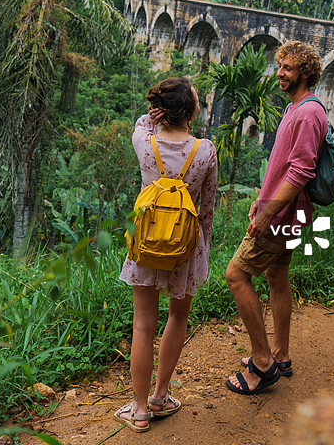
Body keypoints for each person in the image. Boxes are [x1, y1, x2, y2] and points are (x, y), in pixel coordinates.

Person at [225, 41, 327, 395]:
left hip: (283, 215)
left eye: (287, 68)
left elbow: (300, 172)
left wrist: (267, 213)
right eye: (279, 65)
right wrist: (260, 198)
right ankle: (280, 355)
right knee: (276, 274)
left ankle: (263, 362)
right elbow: (281, 166)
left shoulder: (308, 113)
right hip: (285, 211)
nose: (279, 73)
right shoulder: (294, 108)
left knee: (236, 275)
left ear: (305, 72)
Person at [116, 77, 217, 431]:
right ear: (189, 112)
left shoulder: (144, 142)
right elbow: (207, 208)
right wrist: (199, 248)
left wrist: (151, 119)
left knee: (143, 326)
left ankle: (140, 409)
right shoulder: (205, 150)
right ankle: (161, 395)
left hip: (145, 241)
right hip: (185, 247)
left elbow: (141, 124)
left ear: (161, 111)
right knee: (177, 317)